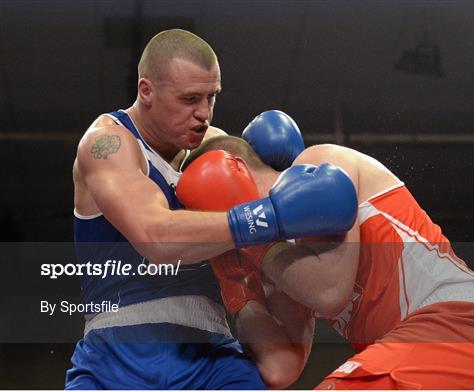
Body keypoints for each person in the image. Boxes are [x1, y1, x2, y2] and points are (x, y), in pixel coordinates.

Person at [67, 29, 357, 389]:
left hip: (212, 357)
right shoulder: (108, 144)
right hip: (117, 357)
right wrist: (268, 217)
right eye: (189, 99)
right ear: (147, 91)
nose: (203, 113)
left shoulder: (218, 149)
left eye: (211, 97)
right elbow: (156, 237)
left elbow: (288, 240)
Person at [178, 134, 474, 390]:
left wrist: (249, 238)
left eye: (208, 218)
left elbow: (330, 290)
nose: (214, 234)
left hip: (457, 333)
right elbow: (281, 366)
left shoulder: (317, 168)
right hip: (420, 360)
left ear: (229, 174)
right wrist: (237, 290)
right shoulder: (277, 260)